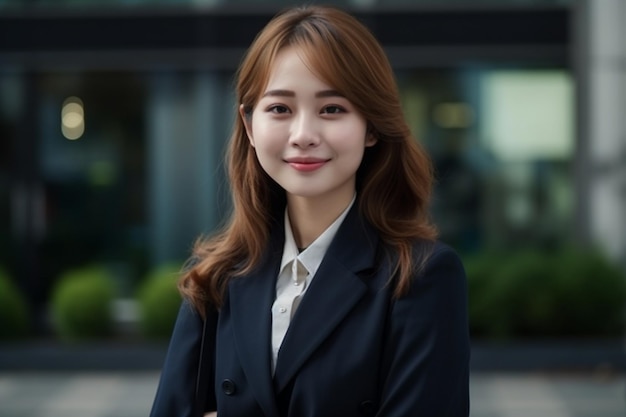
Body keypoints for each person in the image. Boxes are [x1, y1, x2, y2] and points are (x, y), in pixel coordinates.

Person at [149, 5, 470, 417]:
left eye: (332, 109)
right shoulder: (216, 276)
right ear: (249, 125)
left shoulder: (421, 277)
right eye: (280, 109)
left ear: (372, 125)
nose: (303, 136)